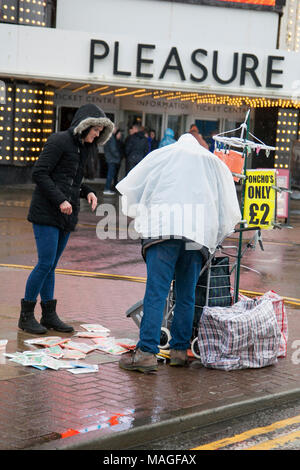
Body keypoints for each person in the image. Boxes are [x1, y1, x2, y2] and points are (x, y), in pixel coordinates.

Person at [116, 133, 241, 373]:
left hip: (163, 233)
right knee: (186, 295)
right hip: (196, 237)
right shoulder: (213, 162)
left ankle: (146, 352)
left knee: (157, 293)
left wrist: (141, 213)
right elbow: (227, 204)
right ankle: (179, 352)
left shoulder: (162, 155)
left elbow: (134, 185)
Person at [19, 104, 114, 335]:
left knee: (51, 265)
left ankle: (49, 315)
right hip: (47, 212)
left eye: (101, 131)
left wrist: (87, 191)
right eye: (96, 130)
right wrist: (61, 199)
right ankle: (26, 316)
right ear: (85, 126)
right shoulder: (59, 141)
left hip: (65, 215)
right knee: (44, 263)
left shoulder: (83, 148)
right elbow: (39, 173)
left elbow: (70, 180)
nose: (97, 134)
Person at [103, 126, 123, 195]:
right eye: (115, 128)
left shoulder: (109, 137)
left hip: (110, 158)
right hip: (112, 159)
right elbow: (113, 149)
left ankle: (107, 188)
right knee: (110, 175)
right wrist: (118, 156)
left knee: (110, 174)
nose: (116, 130)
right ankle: (107, 189)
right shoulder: (111, 137)